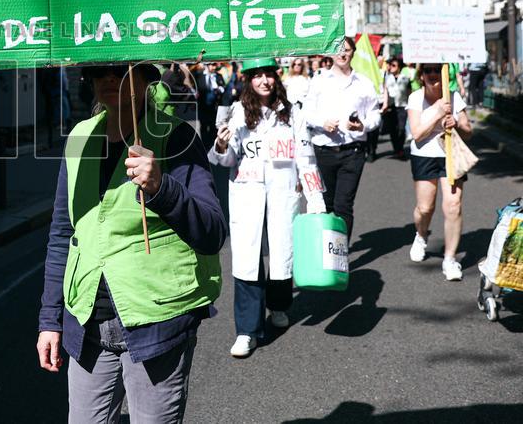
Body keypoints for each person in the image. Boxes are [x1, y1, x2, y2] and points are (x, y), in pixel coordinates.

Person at [36, 64, 227, 424]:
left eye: (121, 71)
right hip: (88, 319)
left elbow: (212, 232)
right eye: (99, 71)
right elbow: (63, 233)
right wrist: (50, 319)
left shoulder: (177, 137)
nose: (109, 79)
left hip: (157, 320)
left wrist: (162, 188)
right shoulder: (79, 136)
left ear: (145, 80)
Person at [208, 58, 325, 358]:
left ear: (276, 77)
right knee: (247, 259)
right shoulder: (237, 112)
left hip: (282, 191)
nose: (264, 81)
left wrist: (315, 198)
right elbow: (226, 158)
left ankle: (279, 305)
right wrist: (222, 146)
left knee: (281, 252)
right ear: (248, 80)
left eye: (268, 75)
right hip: (247, 193)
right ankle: (247, 330)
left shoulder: (292, 113)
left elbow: (305, 155)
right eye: (257, 76)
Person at [304, 37, 381, 239]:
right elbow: (307, 114)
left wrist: (363, 124)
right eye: (338, 50)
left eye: (347, 50)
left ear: (353, 52)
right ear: (330, 54)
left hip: (353, 151)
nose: (342, 54)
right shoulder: (319, 80)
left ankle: (340, 254)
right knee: (326, 204)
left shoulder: (364, 83)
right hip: (324, 150)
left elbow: (375, 115)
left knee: (343, 205)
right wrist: (323, 122)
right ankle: (327, 254)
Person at [406, 64, 473, 281]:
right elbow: (417, 133)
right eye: (428, 70)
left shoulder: (453, 97)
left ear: (445, 73)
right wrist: (437, 112)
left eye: (437, 69)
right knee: (425, 208)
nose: (433, 74)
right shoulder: (416, 98)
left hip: (450, 155)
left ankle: (450, 259)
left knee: (453, 205)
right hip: (424, 156)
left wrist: (457, 124)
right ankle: (421, 234)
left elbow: (469, 131)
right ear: (421, 75)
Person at [381, 57, 411, 159]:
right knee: (393, 129)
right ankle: (397, 149)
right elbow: (385, 91)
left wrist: (410, 105)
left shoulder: (405, 78)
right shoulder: (387, 77)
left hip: (402, 106)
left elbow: (409, 92)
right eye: (391, 65)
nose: (391, 67)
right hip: (391, 106)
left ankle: (400, 148)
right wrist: (385, 104)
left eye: (394, 65)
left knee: (401, 129)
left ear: (399, 67)